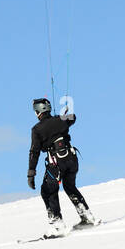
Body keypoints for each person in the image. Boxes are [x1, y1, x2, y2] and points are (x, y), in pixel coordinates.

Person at [27, 98, 96, 236]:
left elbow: (34, 152)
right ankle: (87, 217)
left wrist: (31, 173)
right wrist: (62, 116)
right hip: (72, 160)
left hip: (56, 163)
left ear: (38, 112)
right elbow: (73, 117)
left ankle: (58, 226)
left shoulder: (37, 129)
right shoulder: (61, 120)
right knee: (70, 187)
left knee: (47, 191)